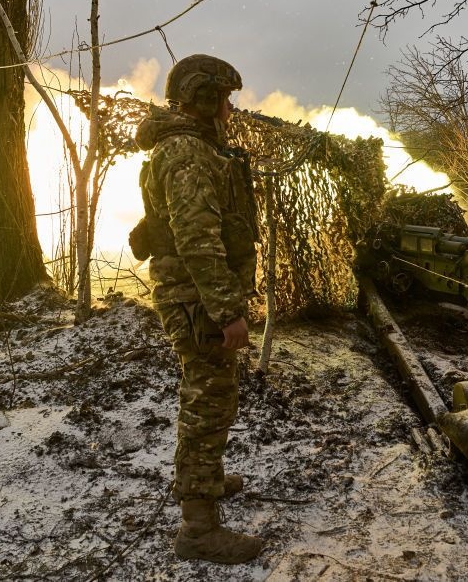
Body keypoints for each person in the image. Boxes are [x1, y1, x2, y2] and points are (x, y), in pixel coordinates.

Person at [134, 54, 262, 564]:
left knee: (207, 394)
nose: (230, 111)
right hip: (196, 295)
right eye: (225, 100)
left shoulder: (188, 146)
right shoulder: (187, 152)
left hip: (191, 292)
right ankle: (198, 528)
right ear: (205, 99)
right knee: (209, 402)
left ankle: (201, 481)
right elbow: (198, 240)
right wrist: (228, 311)